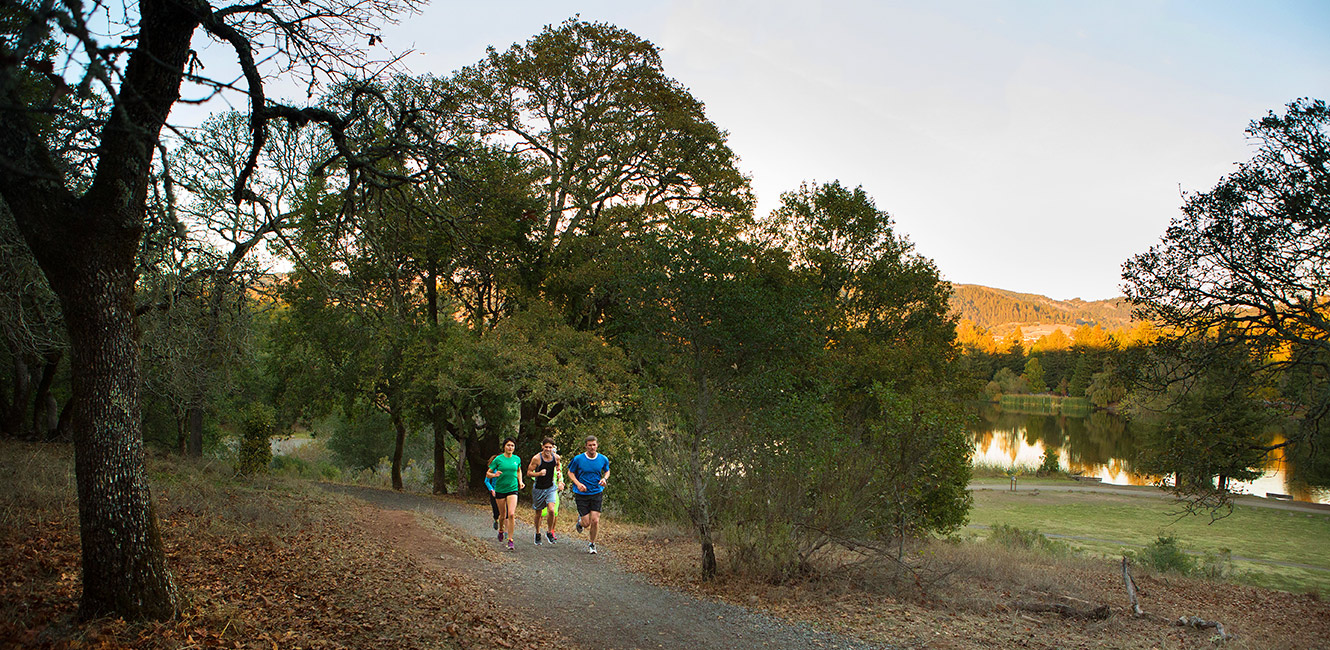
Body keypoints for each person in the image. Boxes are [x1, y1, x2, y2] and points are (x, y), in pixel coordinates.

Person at [567, 435, 610, 554]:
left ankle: (592, 544)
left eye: (594, 445)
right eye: (590, 445)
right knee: (586, 523)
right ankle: (580, 522)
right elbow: (570, 472)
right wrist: (578, 483)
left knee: (595, 521)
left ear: (597, 445)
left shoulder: (603, 459)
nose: (592, 447)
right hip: (582, 494)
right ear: (586, 446)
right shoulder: (578, 459)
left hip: (597, 492)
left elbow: (607, 470)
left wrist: (604, 479)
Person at [486, 437, 524, 551]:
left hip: (512, 489)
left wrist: (520, 481)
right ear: (504, 447)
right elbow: (488, 474)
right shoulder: (498, 459)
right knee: (502, 516)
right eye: (508, 445)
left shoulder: (517, 459)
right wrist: (494, 475)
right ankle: (501, 530)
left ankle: (511, 540)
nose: (510, 447)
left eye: (512, 445)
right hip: (500, 490)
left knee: (511, 514)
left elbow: (518, 470)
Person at [527, 437, 562, 545]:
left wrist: (559, 473)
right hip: (538, 488)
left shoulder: (556, 457)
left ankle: (549, 531)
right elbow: (529, 472)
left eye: (550, 447)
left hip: (551, 487)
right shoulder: (537, 458)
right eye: (546, 447)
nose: (548, 449)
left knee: (551, 510)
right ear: (542, 447)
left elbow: (558, 466)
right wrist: (538, 474)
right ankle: (537, 533)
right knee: (538, 513)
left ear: (553, 448)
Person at [484, 454, 500, 532]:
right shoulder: (492, 470)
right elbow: (486, 481)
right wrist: (491, 490)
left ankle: (504, 529)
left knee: (505, 511)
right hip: (494, 491)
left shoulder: (504, 469)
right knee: (496, 510)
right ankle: (496, 519)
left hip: (504, 490)